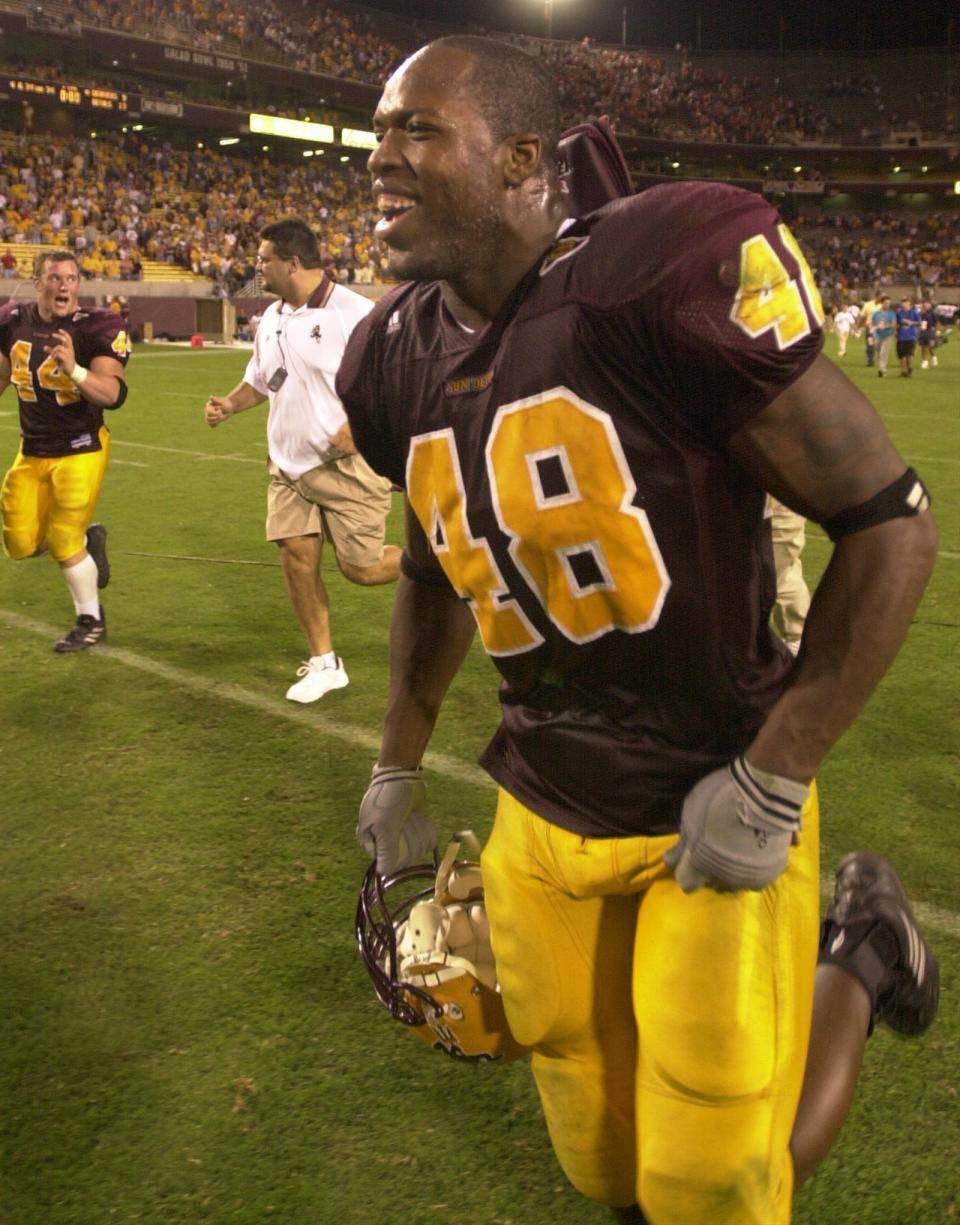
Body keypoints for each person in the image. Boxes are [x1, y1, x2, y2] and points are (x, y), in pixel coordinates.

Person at [339, 37, 939, 1225]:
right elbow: (430, 565)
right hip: (542, 800)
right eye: (379, 130)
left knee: (709, 1185)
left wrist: (776, 776)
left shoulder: (645, 277)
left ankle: (863, 954)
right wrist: (399, 751)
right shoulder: (392, 356)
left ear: (521, 159)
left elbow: (889, 522)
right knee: (609, 1176)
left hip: (707, 789)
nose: (382, 159)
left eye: (417, 131)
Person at [203, 218, 400, 703]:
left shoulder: (356, 313)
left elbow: (399, 381)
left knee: (364, 567)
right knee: (296, 556)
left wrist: (363, 426)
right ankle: (324, 663)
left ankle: (448, 562)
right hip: (287, 464)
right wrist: (230, 404)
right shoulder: (271, 316)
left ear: (292, 263)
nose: (257, 267)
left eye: (264, 260)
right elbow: (264, 379)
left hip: (345, 467)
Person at [1, 249, 130, 651]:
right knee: (19, 544)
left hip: (81, 446)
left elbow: (113, 394)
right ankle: (89, 540)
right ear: (36, 280)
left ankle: (89, 620)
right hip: (32, 448)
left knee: (62, 539)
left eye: (72, 278)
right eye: (55, 277)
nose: (64, 285)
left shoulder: (97, 326)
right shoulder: (12, 320)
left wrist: (75, 368)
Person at [768, 496, 810, 655]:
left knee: (768, 575)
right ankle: (799, 641)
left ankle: (799, 644)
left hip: (778, 501)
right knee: (783, 574)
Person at [895, 294, 921, 378]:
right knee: (901, 356)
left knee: (909, 355)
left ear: (910, 303)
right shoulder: (899, 312)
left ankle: (909, 368)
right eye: (903, 302)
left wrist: (911, 322)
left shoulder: (914, 312)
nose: (904, 303)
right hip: (901, 337)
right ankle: (903, 371)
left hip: (911, 336)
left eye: (905, 302)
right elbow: (896, 323)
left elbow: (920, 322)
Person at [870, 294, 896, 376]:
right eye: (886, 303)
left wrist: (886, 326)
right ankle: (881, 367)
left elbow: (894, 325)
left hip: (888, 335)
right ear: (882, 303)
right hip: (878, 335)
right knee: (879, 351)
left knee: (883, 352)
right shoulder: (875, 313)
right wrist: (874, 328)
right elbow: (872, 324)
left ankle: (882, 370)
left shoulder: (891, 313)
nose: (887, 305)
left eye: (889, 303)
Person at [860, 292, 881, 366]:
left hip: (880, 329)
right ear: (876, 296)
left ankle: (880, 360)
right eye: (880, 297)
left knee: (880, 345)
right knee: (870, 344)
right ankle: (870, 360)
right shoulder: (867, 305)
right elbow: (863, 316)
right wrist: (860, 325)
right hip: (870, 328)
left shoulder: (883, 306)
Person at [918, 300, 939, 369]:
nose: (925, 305)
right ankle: (925, 362)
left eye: (927, 304)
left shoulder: (932, 312)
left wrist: (937, 331)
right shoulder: (921, 313)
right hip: (923, 331)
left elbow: (937, 322)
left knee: (930, 347)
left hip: (930, 331)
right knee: (923, 347)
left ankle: (934, 359)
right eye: (924, 304)